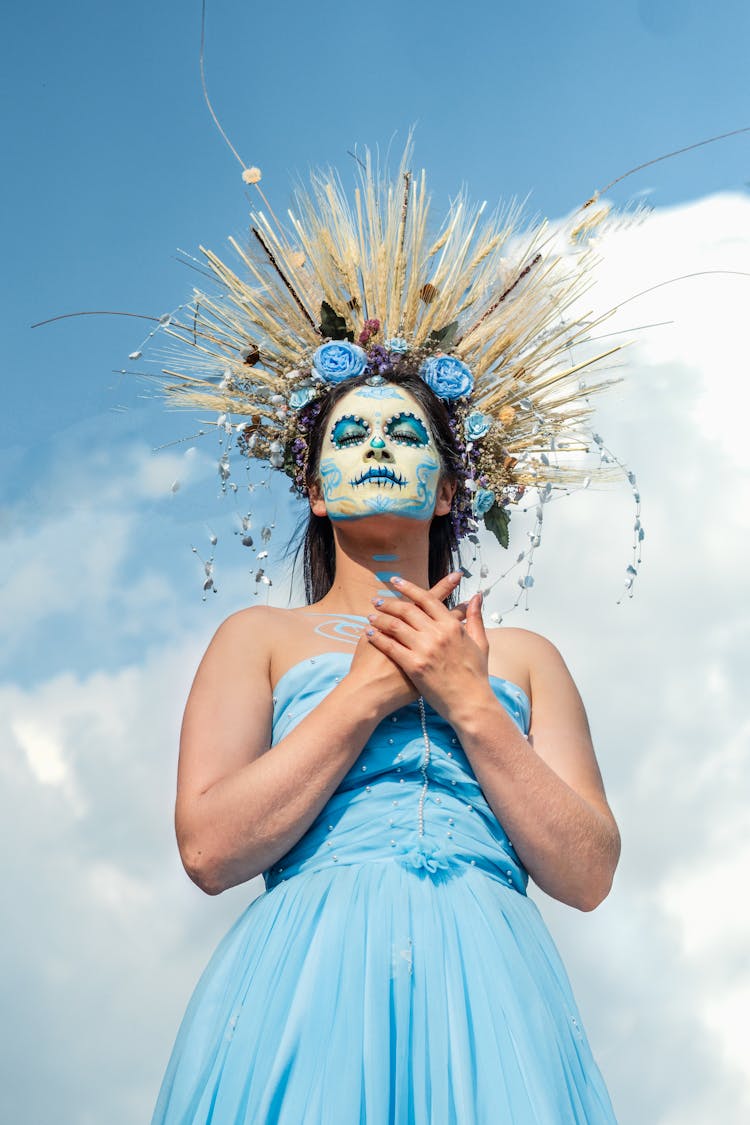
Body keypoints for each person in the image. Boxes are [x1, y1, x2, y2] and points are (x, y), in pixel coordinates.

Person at [149, 148, 625, 1122]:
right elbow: (207, 851)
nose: (376, 446)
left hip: (492, 988)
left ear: (450, 487)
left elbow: (586, 872)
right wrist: (368, 691)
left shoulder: (524, 660)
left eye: (405, 435)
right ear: (316, 488)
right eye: (350, 436)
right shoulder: (260, 640)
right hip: (306, 984)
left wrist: (470, 706)